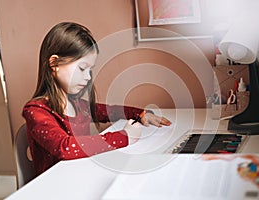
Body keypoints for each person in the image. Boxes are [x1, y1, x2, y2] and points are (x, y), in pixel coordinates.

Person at [22, 22, 171, 176]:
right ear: (54, 63)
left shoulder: (77, 104)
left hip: (81, 176)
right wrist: (124, 136)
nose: (87, 77)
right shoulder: (36, 111)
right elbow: (64, 148)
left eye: (90, 70)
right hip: (56, 186)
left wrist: (141, 114)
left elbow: (111, 111)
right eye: (81, 68)